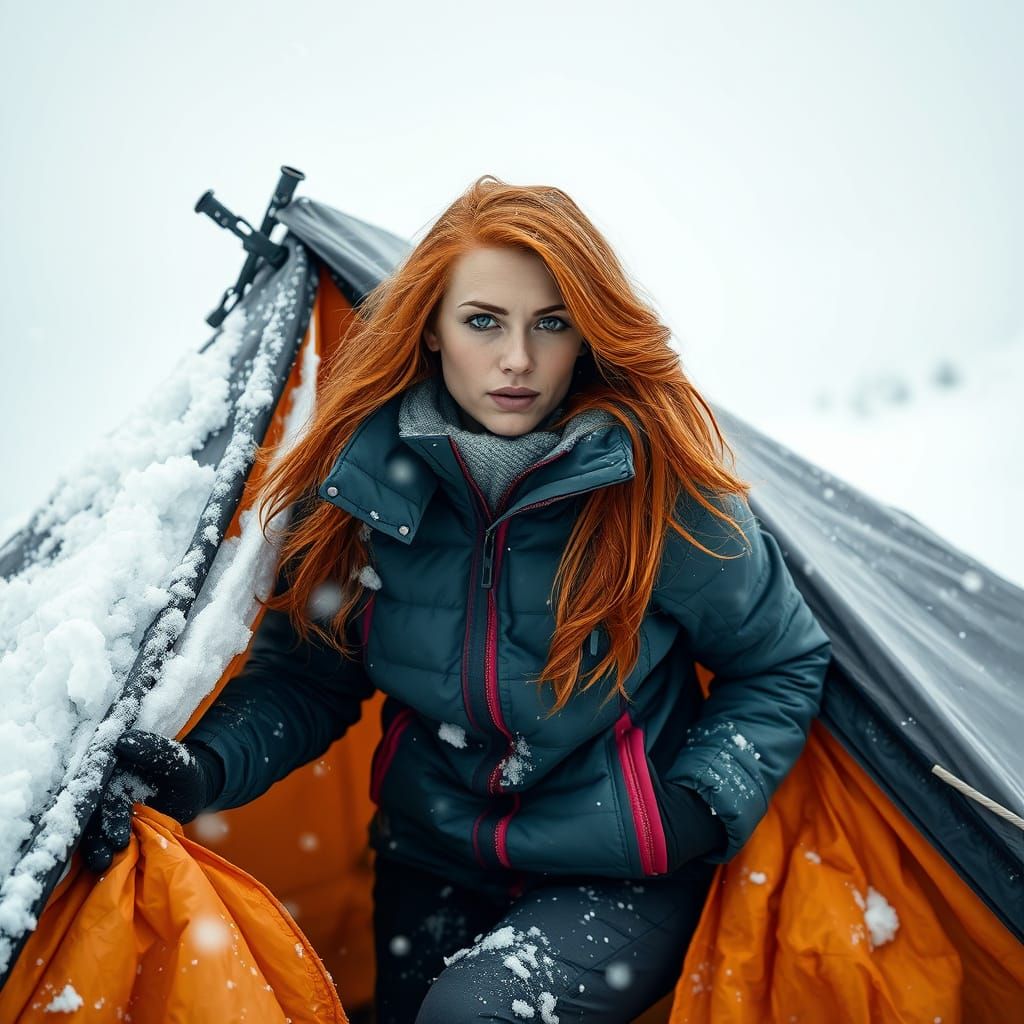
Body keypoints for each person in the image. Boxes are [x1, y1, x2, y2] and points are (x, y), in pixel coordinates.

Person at [81, 175, 833, 1023]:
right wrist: (202, 772)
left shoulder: (658, 495)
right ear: (432, 330)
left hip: (618, 871)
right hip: (431, 856)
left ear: (586, 334)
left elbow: (779, 659)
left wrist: (696, 807)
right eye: (484, 322)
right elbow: (309, 680)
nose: (518, 359)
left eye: (550, 323)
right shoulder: (362, 485)